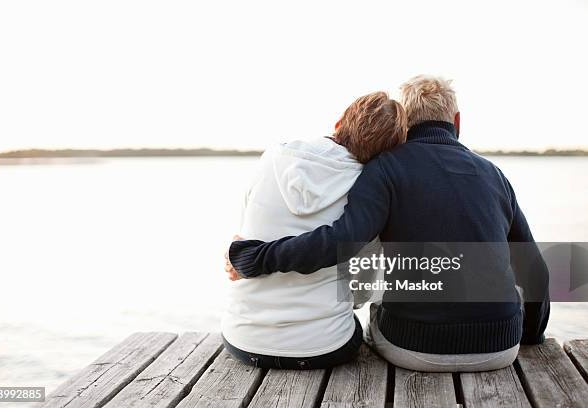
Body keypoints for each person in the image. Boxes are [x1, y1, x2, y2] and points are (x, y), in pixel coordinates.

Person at [227, 76, 550, 372]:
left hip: (413, 349)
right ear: (457, 120)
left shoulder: (383, 170)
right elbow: (534, 268)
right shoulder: (493, 174)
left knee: (380, 291)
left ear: (404, 125)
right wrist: (532, 336)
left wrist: (255, 257)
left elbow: (344, 241)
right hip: (501, 348)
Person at [222, 91, 407, 369]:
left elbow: (243, 236)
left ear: (340, 122)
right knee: (355, 324)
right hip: (324, 346)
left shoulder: (273, 157)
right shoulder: (368, 192)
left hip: (244, 339)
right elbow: (363, 286)